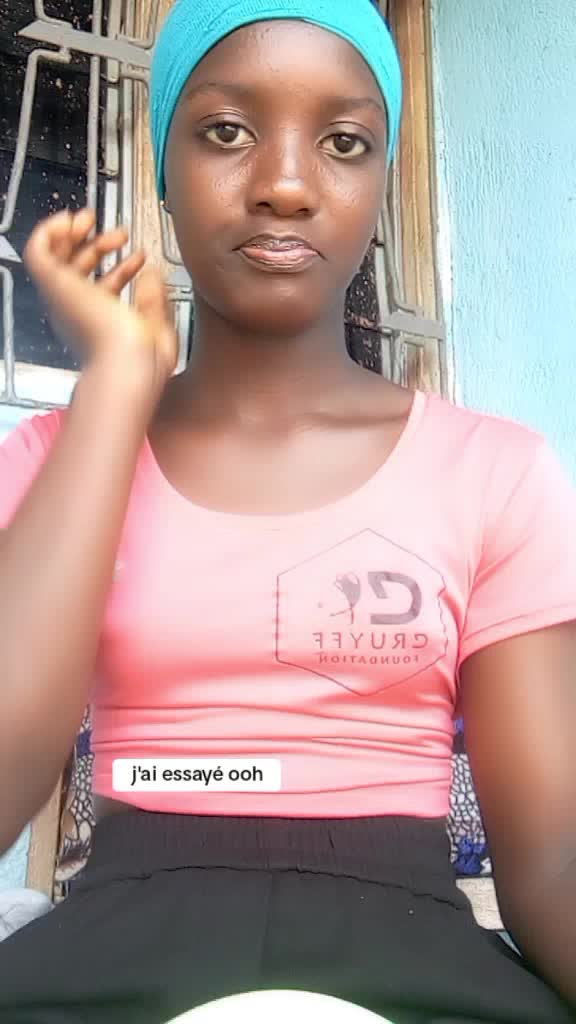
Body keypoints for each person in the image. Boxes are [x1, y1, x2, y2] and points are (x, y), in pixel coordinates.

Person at [0, 0, 575, 1021]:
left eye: (344, 142)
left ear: (381, 181)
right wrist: (117, 393)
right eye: (227, 131)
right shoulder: (59, 461)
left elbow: (555, 856)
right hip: (115, 949)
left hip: (416, 951)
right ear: (162, 166)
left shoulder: (495, 471)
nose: (285, 184)